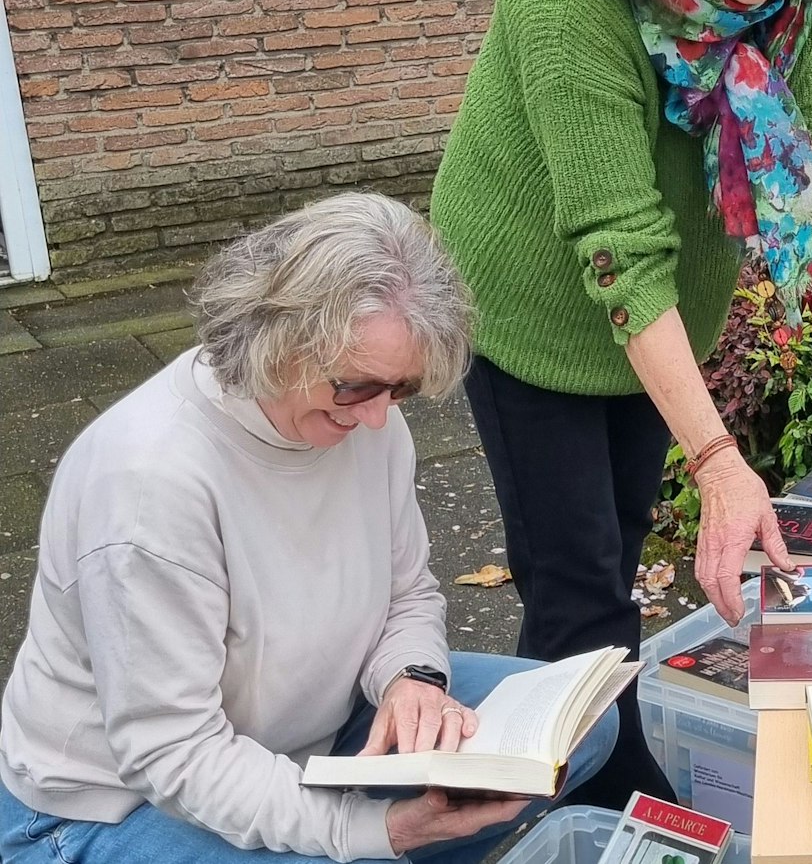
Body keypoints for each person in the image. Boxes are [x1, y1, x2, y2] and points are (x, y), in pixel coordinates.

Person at [428, 0, 812, 808]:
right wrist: (723, 462)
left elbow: (800, 140)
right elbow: (615, 243)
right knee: (577, 578)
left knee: (621, 539)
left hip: (659, 310)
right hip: (534, 301)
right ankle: (584, 804)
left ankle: (578, 750)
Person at [0, 193, 616, 863]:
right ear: (276, 339)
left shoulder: (364, 419)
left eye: (402, 390)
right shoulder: (150, 486)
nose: (379, 418)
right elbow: (174, 751)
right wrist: (376, 832)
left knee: (586, 730)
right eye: (356, 387)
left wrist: (413, 679)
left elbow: (407, 593)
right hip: (109, 804)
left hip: (307, 738)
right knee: (375, 842)